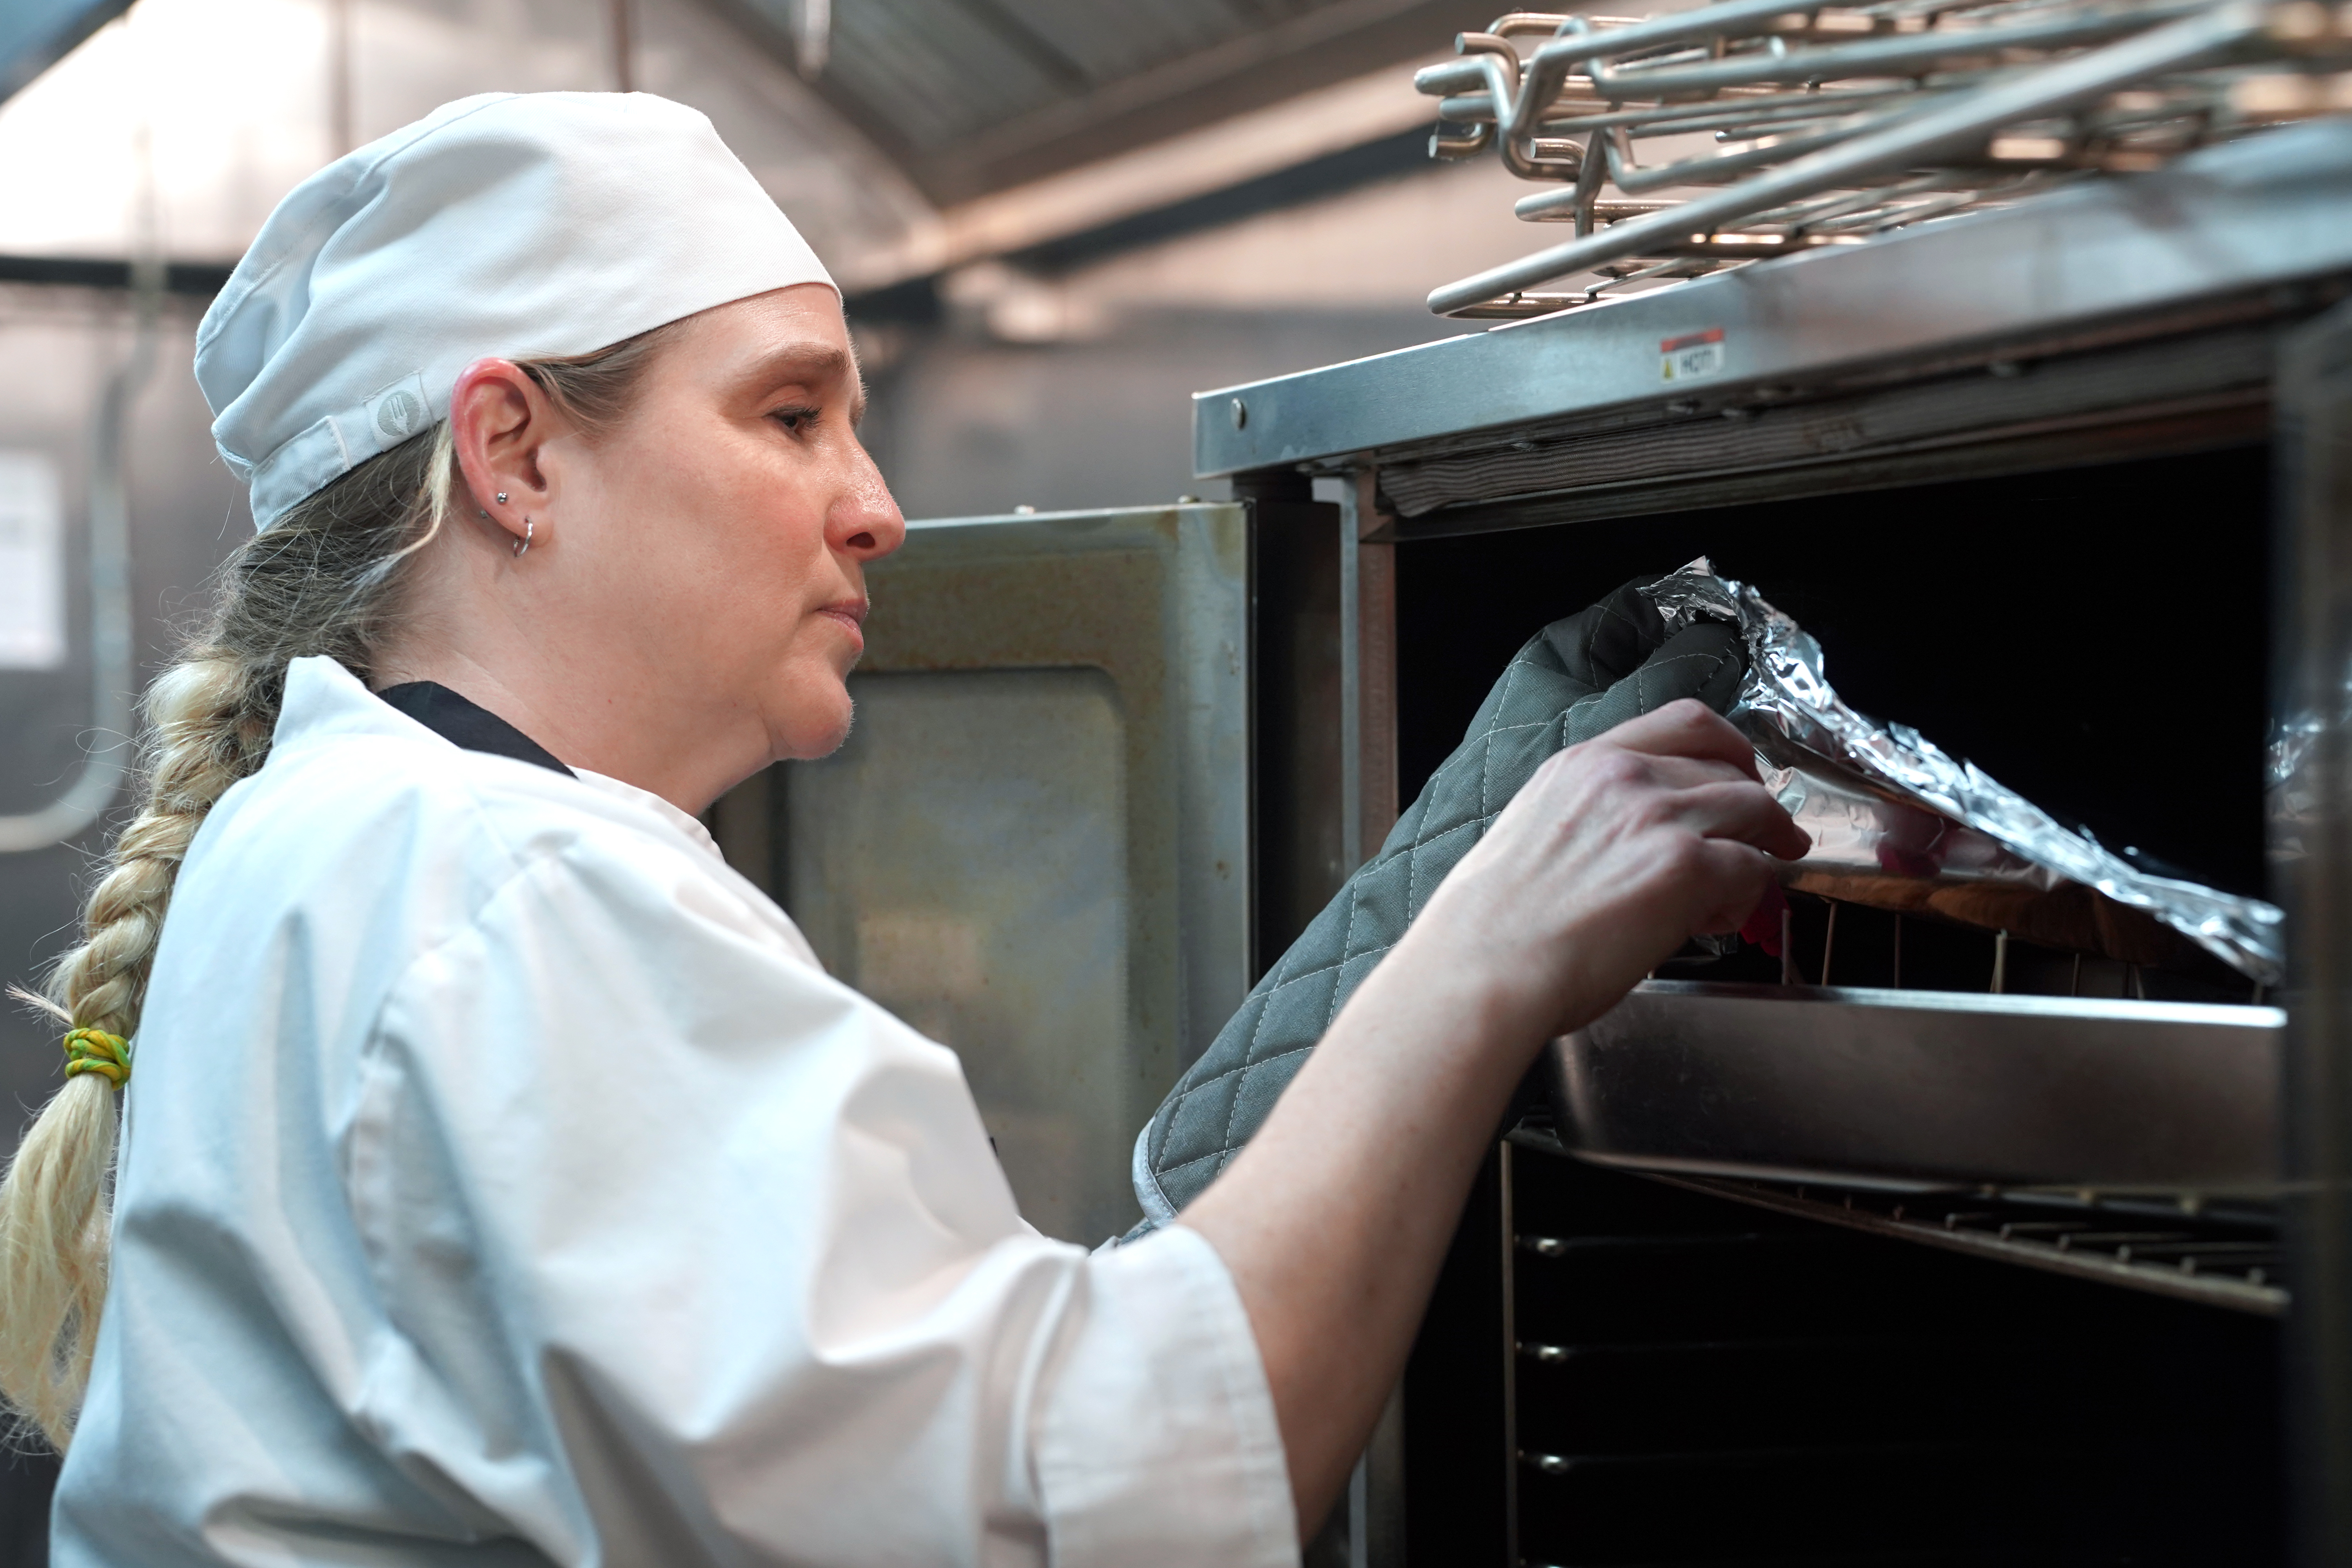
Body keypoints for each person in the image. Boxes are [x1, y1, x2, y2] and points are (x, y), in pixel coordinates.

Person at [0, 93, 1807, 1566]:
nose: (877, 508)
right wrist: (1484, 946)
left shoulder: (332, 835)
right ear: (517, 456)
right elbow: (1087, 1505)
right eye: (791, 415)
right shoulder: (513, 888)